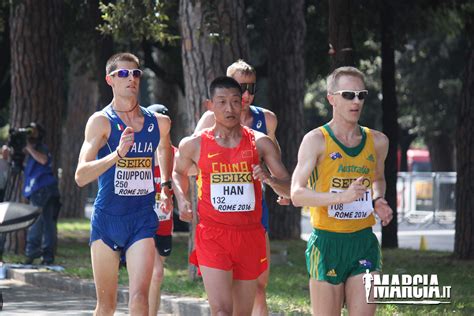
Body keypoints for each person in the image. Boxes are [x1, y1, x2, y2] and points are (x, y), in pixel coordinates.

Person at [173, 76, 291, 316]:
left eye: (236, 102)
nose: (230, 108)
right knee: (221, 312)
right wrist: (182, 198)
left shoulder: (260, 143)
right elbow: (178, 172)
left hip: (249, 235)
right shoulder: (193, 144)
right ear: (210, 105)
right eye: (222, 102)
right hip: (212, 235)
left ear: (243, 104)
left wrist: (269, 179)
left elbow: (290, 187)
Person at [75, 52, 173, 315]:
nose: (131, 78)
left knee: (140, 298)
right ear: (110, 80)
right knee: (106, 306)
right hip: (107, 220)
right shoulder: (101, 122)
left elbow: (165, 148)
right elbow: (81, 175)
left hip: (141, 219)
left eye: (136, 73)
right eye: (123, 74)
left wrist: (166, 183)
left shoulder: (159, 123)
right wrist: (117, 154)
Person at [291, 66, 393, 316]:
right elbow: (296, 193)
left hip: (363, 241)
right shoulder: (315, 140)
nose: (356, 101)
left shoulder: (378, 141)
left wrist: (378, 199)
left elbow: (378, 178)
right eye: (348, 94)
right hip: (327, 244)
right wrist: (341, 197)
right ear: (331, 98)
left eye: (361, 95)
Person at [146, 104, 176, 316]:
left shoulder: (174, 154)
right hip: (142, 223)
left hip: (164, 224)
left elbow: (190, 171)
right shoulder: (141, 151)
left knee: (155, 277)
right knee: (155, 273)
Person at [22, 123, 61, 265]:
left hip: (43, 189)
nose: (30, 134)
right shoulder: (29, 151)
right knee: (44, 223)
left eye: (33, 131)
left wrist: (29, 148)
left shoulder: (40, 147)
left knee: (38, 222)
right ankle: (45, 256)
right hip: (40, 190)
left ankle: (34, 254)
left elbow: (43, 160)